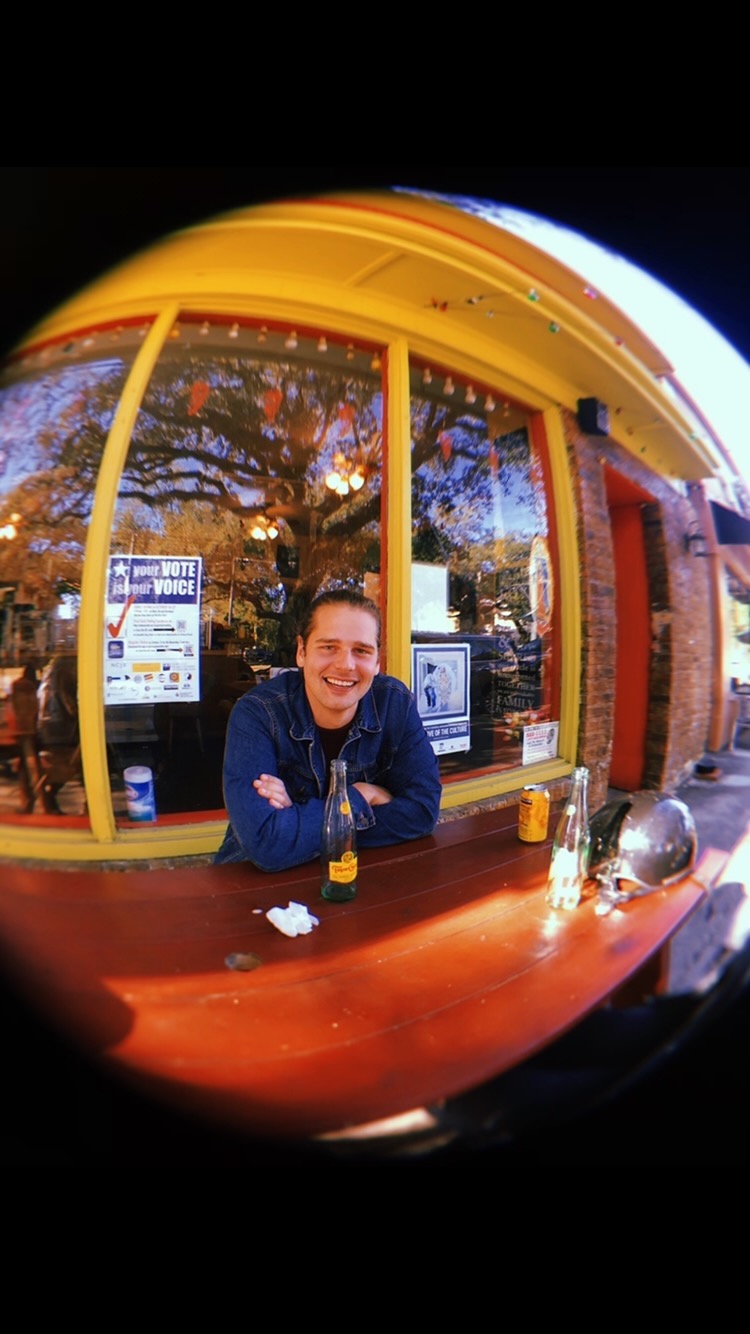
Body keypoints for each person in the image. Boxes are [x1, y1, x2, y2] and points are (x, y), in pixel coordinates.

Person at [215, 589, 442, 871]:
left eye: (361, 650)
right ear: (301, 651)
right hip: (253, 887)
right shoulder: (258, 712)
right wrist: (361, 795)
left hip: (357, 874)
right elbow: (266, 843)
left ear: (377, 661)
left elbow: (422, 812)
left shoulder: (395, 703)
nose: (345, 665)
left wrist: (298, 818)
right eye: (328, 647)